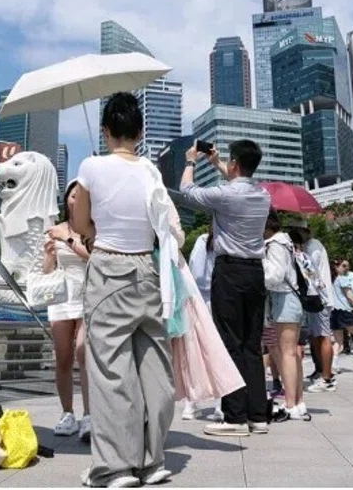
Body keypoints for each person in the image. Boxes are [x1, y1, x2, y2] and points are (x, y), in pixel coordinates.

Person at [73, 93, 175, 488]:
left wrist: (96, 231)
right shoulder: (152, 170)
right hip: (148, 273)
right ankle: (152, 461)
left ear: (105, 130)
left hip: (109, 270)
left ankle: (115, 467)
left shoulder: (91, 166)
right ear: (140, 131)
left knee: (111, 371)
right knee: (154, 369)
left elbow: (81, 223)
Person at [180, 138, 271, 437]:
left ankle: (234, 416)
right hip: (255, 272)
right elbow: (238, 181)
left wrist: (191, 161)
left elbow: (187, 191)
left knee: (230, 342)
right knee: (251, 345)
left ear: (234, 164)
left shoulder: (225, 195)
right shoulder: (263, 194)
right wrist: (218, 162)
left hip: (230, 271)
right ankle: (258, 415)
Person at [44, 180, 92, 441]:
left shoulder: (93, 229)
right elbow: (47, 270)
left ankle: (89, 415)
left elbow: (95, 256)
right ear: (66, 200)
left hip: (88, 295)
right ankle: (67, 413)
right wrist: (49, 255)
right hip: (62, 296)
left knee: (84, 351)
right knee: (62, 357)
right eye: (73, 196)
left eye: (82, 196)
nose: (77, 200)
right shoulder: (55, 230)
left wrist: (70, 239)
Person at [262, 210, 309, 422]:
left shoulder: (275, 244)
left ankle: (290, 404)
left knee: (287, 352)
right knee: (293, 353)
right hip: (293, 299)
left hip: (284, 299)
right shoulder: (286, 242)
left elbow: (274, 277)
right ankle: (298, 402)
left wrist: (258, 264)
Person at [183, 228, 223, 422]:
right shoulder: (227, 240)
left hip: (198, 299)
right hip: (220, 300)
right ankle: (221, 403)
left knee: (196, 352)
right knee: (220, 353)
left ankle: (191, 403)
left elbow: (196, 272)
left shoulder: (202, 241)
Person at [301, 227, 337, 393]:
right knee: (317, 336)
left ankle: (327, 377)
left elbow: (309, 271)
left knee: (323, 336)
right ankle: (322, 371)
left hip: (320, 297)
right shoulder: (312, 245)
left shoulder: (312, 247)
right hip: (317, 297)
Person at [331, 259, 353, 373]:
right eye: (343, 266)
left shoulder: (331, 280)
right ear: (336, 267)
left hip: (333, 311)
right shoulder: (342, 278)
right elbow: (349, 295)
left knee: (338, 341)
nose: (346, 268)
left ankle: (333, 364)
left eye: (347, 266)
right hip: (344, 310)